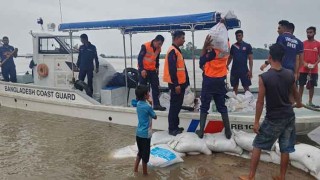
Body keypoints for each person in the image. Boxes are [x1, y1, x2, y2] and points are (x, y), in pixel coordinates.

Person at [239, 44, 302, 180]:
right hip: (289, 116)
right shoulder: (290, 74)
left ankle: (250, 176)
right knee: (285, 147)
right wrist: (299, 103)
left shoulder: (264, 77)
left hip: (274, 118)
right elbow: (295, 93)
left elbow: (260, 102)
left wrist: (256, 122)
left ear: (269, 57)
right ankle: (282, 176)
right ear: (283, 58)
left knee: (257, 144)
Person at [196, 34, 232, 139]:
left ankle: (201, 132)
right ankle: (228, 132)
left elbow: (201, 61)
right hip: (220, 81)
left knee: (204, 107)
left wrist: (204, 46)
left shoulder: (212, 53)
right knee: (222, 107)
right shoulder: (225, 52)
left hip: (209, 81)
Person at [163, 31, 189, 136]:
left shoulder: (177, 51)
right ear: (177, 38)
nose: (184, 40)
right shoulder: (173, 51)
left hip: (180, 83)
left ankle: (175, 126)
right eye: (183, 38)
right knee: (174, 107)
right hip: (176, 85)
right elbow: (172, 69)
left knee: (177, 106)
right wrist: (176, 84)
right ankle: (172, 129)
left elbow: (181, 69)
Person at [138, 35, 166, 111]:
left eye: (161, 44)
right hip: (144, 70)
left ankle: (156, 105)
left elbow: (157, 59)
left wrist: (157, 67)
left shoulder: (158, 49)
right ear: (155, 41)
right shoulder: (145, 46)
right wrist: (142, 70)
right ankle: (141, 104)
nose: (160, 46)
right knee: (142, 87)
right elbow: (139, 58)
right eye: (159, 43)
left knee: (155, 87)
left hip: (152, 70)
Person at [134, 85, 157, 175]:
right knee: (145, 157)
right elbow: (155, 116)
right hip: (145, 135)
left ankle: (135, 170)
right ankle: (145, 174)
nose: (149, 93)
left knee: (140, 153)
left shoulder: (138, 104)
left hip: (138, 133)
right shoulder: (147, 106)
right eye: (148, 92)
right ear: (145, 95)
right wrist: (151, 103)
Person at [299, 26, 320, 108]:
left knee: (312, 85)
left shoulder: (318, 44)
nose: (309, 34)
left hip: (314, 70)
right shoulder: (302, 43)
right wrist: (304, 63)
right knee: (301, 85)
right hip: (303, 69)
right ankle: (299, 101)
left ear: (314, 33)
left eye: (310, 32)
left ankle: (310, 102)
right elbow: (300, 56)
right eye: (307, 32)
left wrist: (315, 64)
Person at [227, 30, 253, 94]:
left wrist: (250, 71)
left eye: (239, 36)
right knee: (235, 87)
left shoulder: (247, 46)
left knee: (246, 87)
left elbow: (250, 59)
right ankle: (234, 102)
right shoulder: (233, 46)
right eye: (237, 36)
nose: (238, 37)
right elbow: (230, 57)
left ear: (242, 36)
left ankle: (249, 101)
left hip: (244, 70)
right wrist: (226, 65)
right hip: (234, 70)